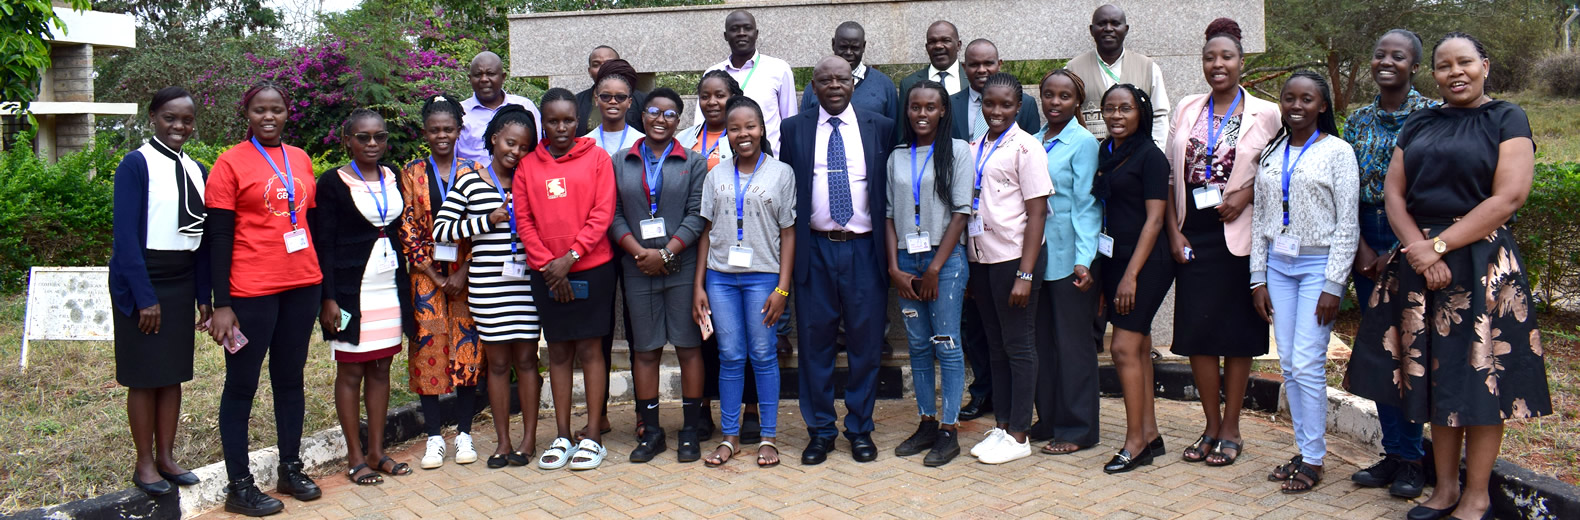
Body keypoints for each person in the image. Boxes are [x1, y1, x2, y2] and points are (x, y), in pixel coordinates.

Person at [1348, 32, 1551, 520]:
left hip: (1480, 262)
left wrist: (1439, 245)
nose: (1455, 72)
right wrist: (1420, 250)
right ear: (1433, 73)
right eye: (1444, 65)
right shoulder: (1419, 121)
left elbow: (1508, 197)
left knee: (1480, 379)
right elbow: (1394, 195)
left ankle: (1476, 495)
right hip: (1420, 262)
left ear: (1485, 65)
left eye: (1465, 62)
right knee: (1436, 378)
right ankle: (1443, 489)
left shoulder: (1507, 117)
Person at [1163, 18, 1281, 468]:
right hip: (1193, 232)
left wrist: (1247, 194)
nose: (1218, 64)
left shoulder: (1267, 112)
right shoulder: (1188, 107)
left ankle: (1231, 429)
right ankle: (1209, 425)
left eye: (1226, 57)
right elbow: (1174, 173)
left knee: (1236, 336)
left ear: (1241, 61)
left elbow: (1276, 170)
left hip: (1240, 234)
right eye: (1210, 57)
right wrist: (1174, 230)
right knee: (1198, 334)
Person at [205, 81, 323, 517]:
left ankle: (290, 468)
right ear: (248, 114)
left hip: (302, 283)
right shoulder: (229, 163)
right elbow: (217, 236)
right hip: (251, 289)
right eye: (259, 110)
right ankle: (239, 486)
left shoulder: (300, 158)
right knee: (242, 385)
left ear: (287, 113)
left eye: (276, 109)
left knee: (290, 378)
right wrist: (221, 302)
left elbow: (307, 220)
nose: (268, 117)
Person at [781, 56, 895, 465]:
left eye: (841, 79)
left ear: (853, 82)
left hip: (865, 249)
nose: (833, 85)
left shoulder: (878, 125)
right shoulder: (793, 129)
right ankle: (821, 431)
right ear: (812, 86)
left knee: (866, 344)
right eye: (825, 80)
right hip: (815, 249)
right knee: (815, 344)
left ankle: (860, 429)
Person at [1248, 71, 1358, 494]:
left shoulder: (1338, 152)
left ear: (1322, 106)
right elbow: (1261, 219)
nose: (1296, 106)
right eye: (1289, 98)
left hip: (1317, 268)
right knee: (1290, 363)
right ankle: (1306, 448)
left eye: (1306, 99)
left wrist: (1334, 284)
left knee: (1308, 362)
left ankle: (1314, 459)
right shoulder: (1273, 151)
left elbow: (1347, 223)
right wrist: (1257, 277)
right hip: (1278, 266)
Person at [1343, 29, 1439, 499]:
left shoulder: (1431, 117)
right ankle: (1395, 452)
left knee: (1415, 349)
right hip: (1365, 235)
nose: (1386, 61)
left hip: (1416, 237)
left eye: (1397, 56)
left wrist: (1404, 247)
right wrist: (1360, 248)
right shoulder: (1357, 120)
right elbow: (1344, 186)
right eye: (1379, 53)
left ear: (1415, 66)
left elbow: (1436, 188)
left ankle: (1414, 458)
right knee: (1384, 348)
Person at [110, 86, 211, 497]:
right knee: (144, 377)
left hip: (182, 278)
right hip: (144, 278)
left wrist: (204, 297)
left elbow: (202, 239)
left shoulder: (197, 169)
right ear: (153, 116)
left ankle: (167, 457)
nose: (179, 126)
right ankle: (144, 462)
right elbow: (125, 238)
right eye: (171, 117)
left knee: (171, 376)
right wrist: (144, 296)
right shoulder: (136, 165)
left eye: (186, 119)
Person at [515, 88, 619, 471]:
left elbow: (602, 212)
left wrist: (571, 257)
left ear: (580, 120)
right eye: (553, 120)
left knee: (591, 350)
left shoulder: (597, 158)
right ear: (543, 121)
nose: (561, 127)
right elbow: (524, 221)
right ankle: (562, 433)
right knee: (558, 350)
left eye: (568, 120)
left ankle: (592, 434)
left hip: (593, 267)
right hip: (546, 272)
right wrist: (549, 265)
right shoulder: (529, 165)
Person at [432, 104, 541, 470]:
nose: (516, 152)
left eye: (525, 147)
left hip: (526, 285)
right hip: (488, 287)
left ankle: (527, 440)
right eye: (511, 143)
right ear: (494, 140)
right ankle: (502, 442)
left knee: (526, 361)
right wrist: (483, 220)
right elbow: (440, 232)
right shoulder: (470, 181)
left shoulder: (532, 180)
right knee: (497, 365)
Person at [692, 95, 796, 468]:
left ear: (762, 128)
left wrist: (782, 288)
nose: (743, 134)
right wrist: (698, 286)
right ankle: (730, 436)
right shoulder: (715, 173)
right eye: (734, 128)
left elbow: (788, 233)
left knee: (764, 356)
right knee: (730, 357)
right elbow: (705, 232)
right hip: (720, 279)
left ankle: (768, 437)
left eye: (749, 126)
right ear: (727, 134)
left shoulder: (781, 173)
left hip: (762, 278)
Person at [609, 88, 711, 463]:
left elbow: (698, 213)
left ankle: (689, 429)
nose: (660, 119)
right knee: (646, 349)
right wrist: (640, 253)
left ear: (679, 121)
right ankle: (652, 432)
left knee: (688, 347)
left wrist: (667, 252)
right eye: (653, 111)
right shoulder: (621, 160)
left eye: (670, 114)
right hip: (637, 269)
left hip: (681, 268)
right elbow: (613, 214)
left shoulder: (693, 161)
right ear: (643, 114)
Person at [313, 109, 413, 486]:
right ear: (348, 140)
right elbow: (323, 244)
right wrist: (328, 298)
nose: (372, 144)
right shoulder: (332, 182)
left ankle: (376, 451)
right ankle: (355, 457)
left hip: (389, 288)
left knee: (382, 368)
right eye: (363, 137)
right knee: (351, 370)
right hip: (350, 293)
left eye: (379, 137)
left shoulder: (393, 177)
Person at [962, 72, 1053, 465]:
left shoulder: (1027, 147)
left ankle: (1019, 433)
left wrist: (1026, 274)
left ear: (1019, 107)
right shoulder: (974, 146)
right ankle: (1001, 425)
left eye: (1005, 105)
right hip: (982, 259)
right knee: (995, 344)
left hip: (1015, 259)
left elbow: (1037, 215)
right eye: (989, 103)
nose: (996, 111)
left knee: (1019, 344)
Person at [886, 80, 972, 467]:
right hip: (907, 262)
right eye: (915, 107)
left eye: (930, 107)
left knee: (947, 344)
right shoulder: (897, 157)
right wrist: (894, 268)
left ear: (942, 111)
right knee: (919, 346)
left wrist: (936, 268)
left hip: (945, 262)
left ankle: (949, 430)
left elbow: (961, 212)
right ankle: (926, 421)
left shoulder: (957, 152)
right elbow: (888, 216)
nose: (922, 113)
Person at [398, 94, 484, 470]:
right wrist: (433, 273)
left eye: (449, 129)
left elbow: (485, 229)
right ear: (425, 133)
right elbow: (406, 227)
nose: (442, 135)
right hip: (425, 278)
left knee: (468, 351)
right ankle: (434, 436)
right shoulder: (411, 173)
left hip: (467, 274)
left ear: (459, 130)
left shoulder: (475, 171)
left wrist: (462, 272)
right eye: (435, 130)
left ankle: (464, 432)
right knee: (427, 352)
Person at [1092, 84, 1173, 474]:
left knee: (1122, 348)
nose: (1116, 116)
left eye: (1125, 109)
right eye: (1110, 109)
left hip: (1146, 263)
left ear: (1141, 113)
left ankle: (1135, 442)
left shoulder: (1150, 156)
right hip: (1113, 259)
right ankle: (1152, 434)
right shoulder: (1105, 151)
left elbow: (1155, 220)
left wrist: (1130, 277)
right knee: (1138, 348)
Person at [1029, 69, 1102, 455]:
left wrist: (1085, 260)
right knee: (1044, 343)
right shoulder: (1036, 139)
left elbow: (1088, 206)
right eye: (1049, 95)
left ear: (1078, 103)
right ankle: (1052, 418)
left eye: (1064, 97)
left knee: (1073, 345)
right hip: (1037, 255)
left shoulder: (1083, 142)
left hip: (1071, 258)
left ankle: (1079, 428)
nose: (1055, 103)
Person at [1064, 4, 1171, 145]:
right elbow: (1064, 117)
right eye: (1101, 24)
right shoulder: (1073, 69)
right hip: (1088, 159)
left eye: (1115, 23)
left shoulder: (1148, 68)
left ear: (1125, 29)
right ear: (1092, 30)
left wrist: (1156, 150)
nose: (1108, 29)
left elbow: (1159, 116)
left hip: (1136, 159)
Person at [700, 10, 798, 154]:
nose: (741, 33)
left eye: (747, 28)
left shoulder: (779, 69)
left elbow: (790, 122)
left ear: (756, 33)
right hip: (721, 162)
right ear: (726, 36)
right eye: (734, 29)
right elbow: (701, 123)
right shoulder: (712, 74)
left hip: (769, 162)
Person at [800, 22, 900, 125]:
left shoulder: (884, 85)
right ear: (833, 44)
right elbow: (804, 129)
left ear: (863, 46)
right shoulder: (816, 87)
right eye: (843, 47)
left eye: (854, 48)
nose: (848, 53)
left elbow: (893, 134)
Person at [457, 51, 543, 163]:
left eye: (490, 74)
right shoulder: (458, 112)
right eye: (478, 75)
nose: (484, 79)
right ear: (470, 78)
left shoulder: (525, 107)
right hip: (471, 178)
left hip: (519, 178)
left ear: (503, 77)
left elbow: (538, 149)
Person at [951, 39, 1041, 142]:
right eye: (974, 65)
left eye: (988, 64)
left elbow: (1033, 146)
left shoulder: (1026, 104)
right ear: (964, 67)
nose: (981, 70)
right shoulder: (950, 104)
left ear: (999, 65)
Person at [576, 46, 647, 136]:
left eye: (608, 63)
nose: (602, 68)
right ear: (589, 71)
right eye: (596, 64)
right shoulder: (576, 102)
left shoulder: (642, 101)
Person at [584, 59, 646, 157]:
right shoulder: (585, 143)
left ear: (629, 102)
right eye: (605, 96)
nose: (613, 101)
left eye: (620, 97)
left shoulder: (642, 143)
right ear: (596, 99)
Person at [898, 21, 968, 97]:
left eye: (946, 40)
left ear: (958, 45)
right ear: (927, 47)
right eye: (932, 42)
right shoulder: (908, 84)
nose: (938, 46)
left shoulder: (973, 80)